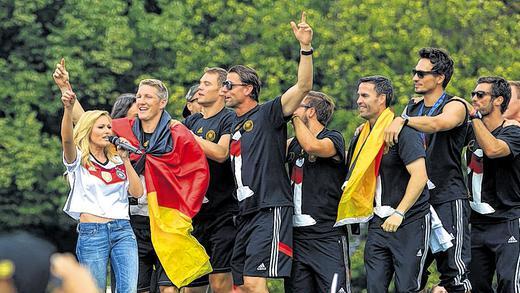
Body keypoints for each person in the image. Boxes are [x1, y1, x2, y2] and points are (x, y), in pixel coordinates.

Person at [53, 61, 211, 293]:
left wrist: (186, 209)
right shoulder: (123, 129)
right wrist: (66, 89)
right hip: (132, 221)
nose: (142, 101)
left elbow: (197, 173)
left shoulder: (178, 133)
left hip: (167, 221)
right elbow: (87, 121)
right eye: (139, 96)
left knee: (169, 288)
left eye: (148, 97)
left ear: (162, 102)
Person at [222, 11, 313, 293]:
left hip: (269, 206)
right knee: (238, 285)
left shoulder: (268, 113)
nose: (224, 90)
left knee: (253, 282)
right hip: (245, 212)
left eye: (230, 85)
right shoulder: (232, 122)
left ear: (248, 89)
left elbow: (303, 86)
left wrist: (305, 47)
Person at [384, 48, 471, 292]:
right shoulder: (412, 109)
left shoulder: (455, 105)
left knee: (454, 274)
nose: (415, 78)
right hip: (417, 201)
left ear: (440, 77)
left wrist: (402, 121)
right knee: (411, 275)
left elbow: (439, 123)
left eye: (421, 73)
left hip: (447, 198)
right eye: (414, 72)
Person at [337, 76, 430, 292]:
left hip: (409, 221)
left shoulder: (403, 132)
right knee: (374, 287)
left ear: (382, 99)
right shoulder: (362, 134)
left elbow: (420, 176)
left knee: (407, 287)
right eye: (358, 95)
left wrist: (400, 212)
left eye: (365, 95)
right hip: (378, 222)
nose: (359, 100)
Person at [60, 89, 143, 292]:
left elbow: (137, 192)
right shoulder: (78, 160)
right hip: (93, 232)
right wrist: (68, 110)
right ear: (88, 130)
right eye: (101, 127)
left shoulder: (117, 159)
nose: (108, 131)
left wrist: (125, 160)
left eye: (109, 127)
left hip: (123, 230)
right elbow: (67, 140)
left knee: (128, 289)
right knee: (93, 289)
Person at [285, 91, 350, 293]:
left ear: (311, 112)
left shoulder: (333, 137)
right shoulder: (293, 143)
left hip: (327, 236)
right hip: (297, 237)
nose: (292, 108)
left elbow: (312, 146)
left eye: (298, 105)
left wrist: (294, 117)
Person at [183, 67, 238, 293]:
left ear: (222, 89)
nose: (200, 88)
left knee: (219, 280)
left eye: (206, 84)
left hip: (223, 211)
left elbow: (221, 152)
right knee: (191, 285)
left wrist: (191, 139)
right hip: (195, 214)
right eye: (200, 82)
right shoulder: (191, 121)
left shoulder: (229, 117)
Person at [463, 77, 520, 293]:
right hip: (477, 224)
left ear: (498, 100)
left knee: (509, 284)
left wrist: (475, 117)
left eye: (481, 95)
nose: (474, 99)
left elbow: (493, 150)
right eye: (473, 94)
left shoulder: (513, 132)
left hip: (508, 220)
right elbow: (440, 126)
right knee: (476, 286)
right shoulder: (471, 129)